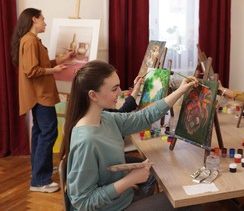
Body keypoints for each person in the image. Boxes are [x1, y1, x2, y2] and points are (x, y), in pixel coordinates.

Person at [59, 60, 201, 210]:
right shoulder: (87, 141)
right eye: (114, 89)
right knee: (190, 203)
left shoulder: (105, 118)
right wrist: (129, 180)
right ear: (93, 95)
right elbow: (82, 202)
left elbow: (143, 117)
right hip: (114, 208)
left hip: (121, 199)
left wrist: (179, 91)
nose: (120, 92)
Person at [10, 8, 74, 193]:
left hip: (39, 94)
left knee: (40, 132)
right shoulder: (29, 41)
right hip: (40, 95)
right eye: (43, 19)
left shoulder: (31, 40)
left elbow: (40, 66)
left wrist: (61, 59)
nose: (45, 22)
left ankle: (39, 170)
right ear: (34, 20)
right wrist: (54, 71)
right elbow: (32, 71)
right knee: (48, 133)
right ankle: (39, 181)